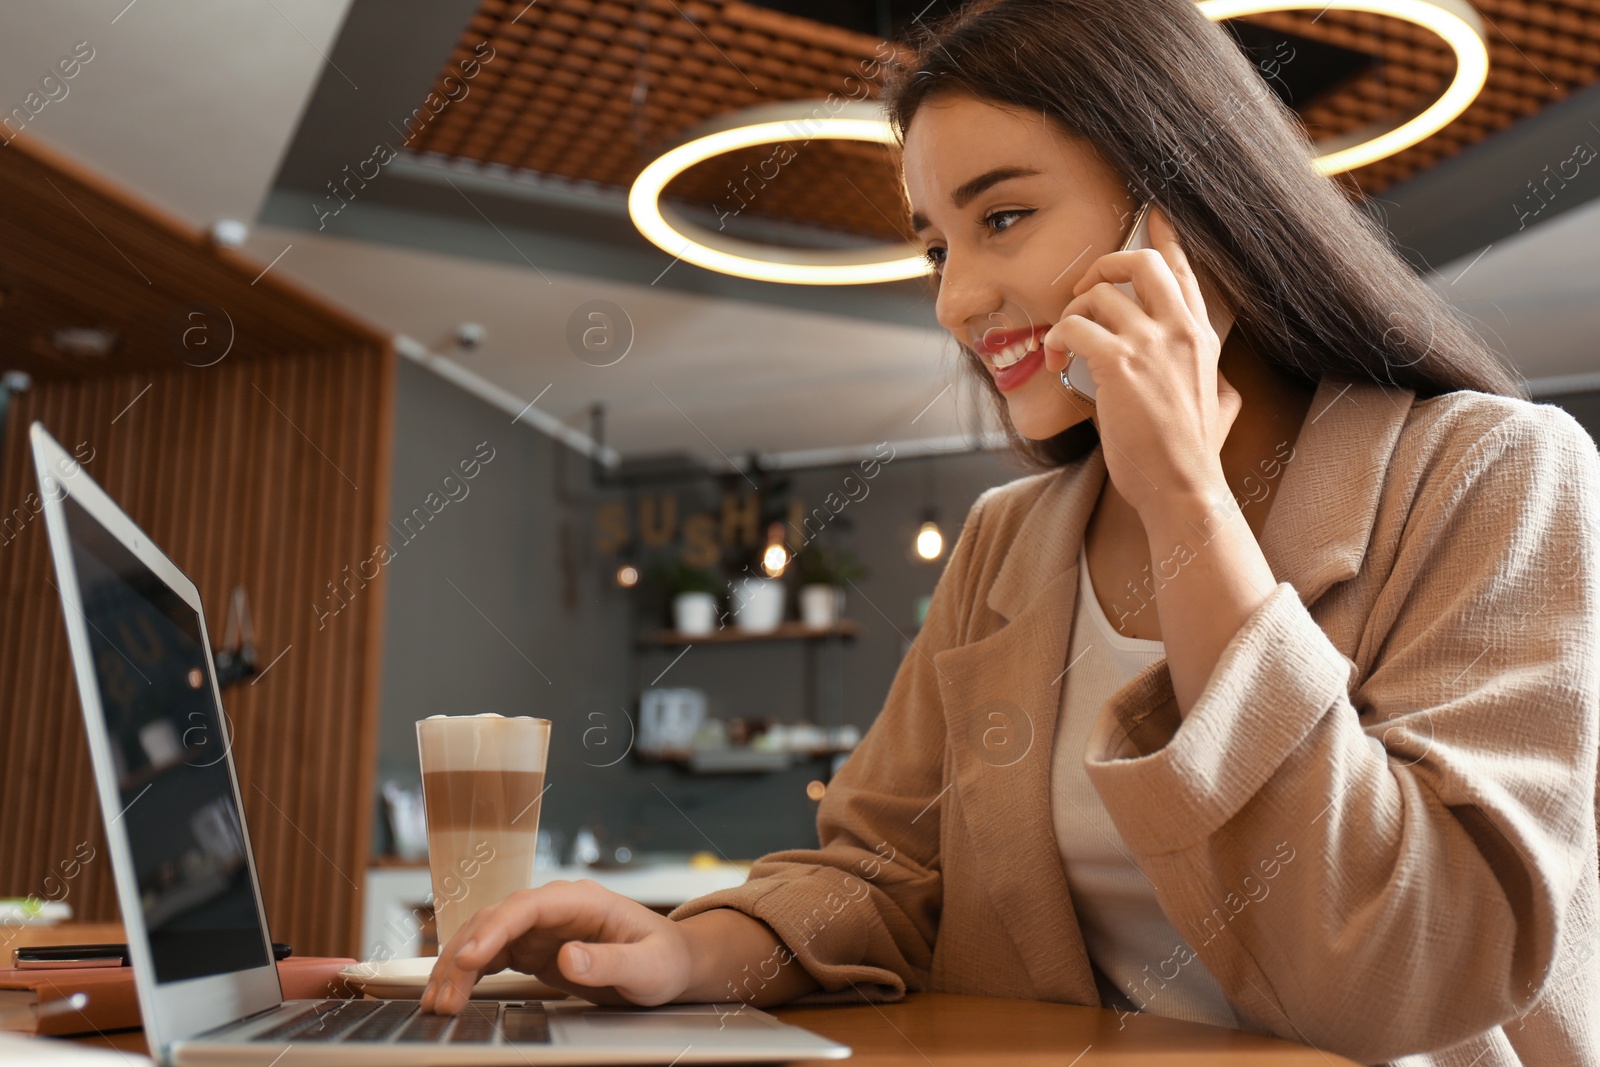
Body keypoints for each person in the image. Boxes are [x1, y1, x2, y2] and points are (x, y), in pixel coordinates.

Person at [422, 1, 1600, 1062]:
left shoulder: (1494, 470)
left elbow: (1409, 965)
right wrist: (683, 951)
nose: (954, 299)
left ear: (1184, 210)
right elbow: (885, 873)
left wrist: (1184, 495)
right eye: (937, 245)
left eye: (1004, 217)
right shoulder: (1007, 540)